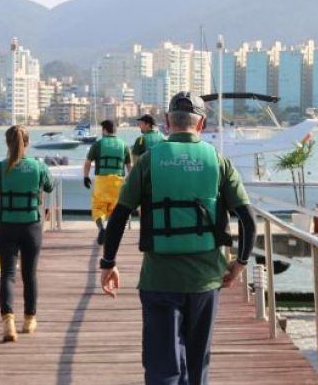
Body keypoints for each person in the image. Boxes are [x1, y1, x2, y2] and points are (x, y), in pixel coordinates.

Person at [99, 92, 256, 385]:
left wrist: (108, 262)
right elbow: (248, 220)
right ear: (202, 125)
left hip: (159, 281)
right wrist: (240, 263)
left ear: (168, 122)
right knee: (198, 367)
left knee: (163, 369)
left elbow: (119, 216)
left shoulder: (148, 161)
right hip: (205, 282)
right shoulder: (220, 163)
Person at [0, 125, 54, 342]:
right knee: (29, 275)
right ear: (28, 143)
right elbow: (49, 186)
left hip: (6, 226)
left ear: (7, 143)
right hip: (31, 226)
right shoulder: (38, 167)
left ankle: (8, 322)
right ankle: (29, 319)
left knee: (8, 274)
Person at [83, 119, 132, 245]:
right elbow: (129, 166)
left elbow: (88, 162)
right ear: (115, 130)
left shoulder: (98, 144)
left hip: (102, 180)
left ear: (104, 130)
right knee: (114, 209)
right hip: (118, 181)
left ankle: (101, 229)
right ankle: (110, 233)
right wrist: (130, 180)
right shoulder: (124, 145)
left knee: (98, 208)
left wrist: (86, 176)